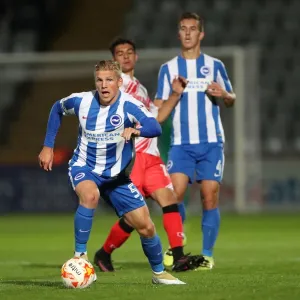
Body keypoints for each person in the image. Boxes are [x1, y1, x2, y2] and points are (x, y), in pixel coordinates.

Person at [38, 60, 185, 285]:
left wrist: (136, 130)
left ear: (119, 82)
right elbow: (56, 108)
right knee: (90, 196)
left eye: (109, 80)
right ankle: (80, 258)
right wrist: (48, 146)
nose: (104, 85)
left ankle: (159, 273)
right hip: (85, 167)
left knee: (146, 226)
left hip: (117, 177)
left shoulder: (129, 104)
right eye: (99, 80)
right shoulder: (82, 101)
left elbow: (154, 127)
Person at [93, 38, 201, 272]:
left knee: (169, 200)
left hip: (150, 157)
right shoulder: (115, 87)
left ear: (136, 56)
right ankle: (104, 253)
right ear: (114, 60)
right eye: (120, 53)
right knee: (136, 217)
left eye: (129, 52)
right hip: (132, 159)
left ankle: (180, 257)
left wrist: (174, 95)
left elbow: (157, 118)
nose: (126, 56)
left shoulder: (139, 88)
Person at [154, 12, 236, 270]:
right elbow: (158, 112)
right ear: (178, 33)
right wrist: (174, 96)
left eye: (192, 29)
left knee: (209, 195)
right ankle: (178, 241)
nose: (188, 33)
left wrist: (223, 94)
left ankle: (207, 255)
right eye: (183, 28)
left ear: (201, 34)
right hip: (181, 144)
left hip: (212, 143)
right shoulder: (168, 69)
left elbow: (231, 98)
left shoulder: (215, 65)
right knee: (174, 195)